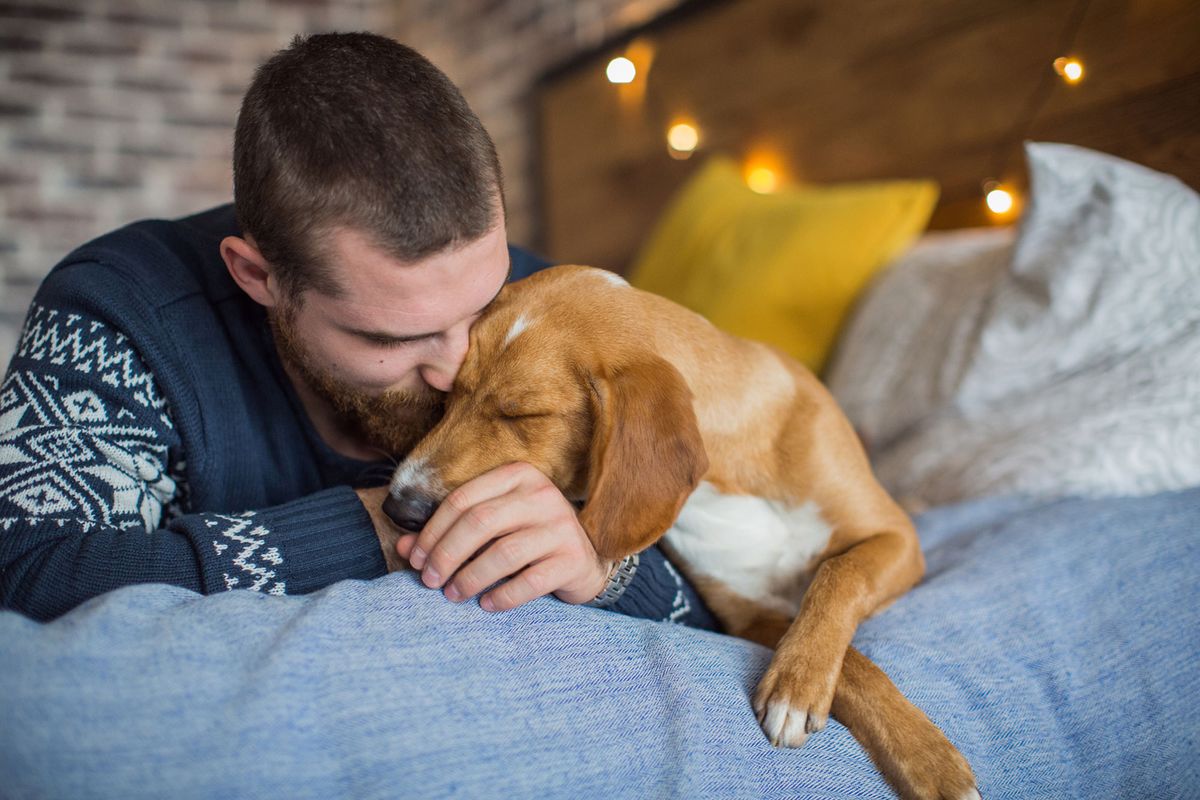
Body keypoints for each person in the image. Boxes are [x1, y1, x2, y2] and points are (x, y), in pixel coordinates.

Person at [0, 31, 717, 630]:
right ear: (259, 278)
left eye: (482, 307)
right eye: (392, 339)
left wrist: (605, 570)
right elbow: (27, 572)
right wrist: (381, 528)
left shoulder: (551, 325)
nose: (460, 365)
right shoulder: (120, 307)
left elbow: (735, 618)